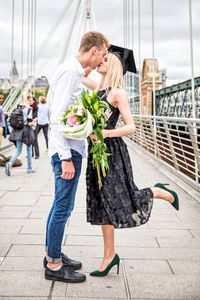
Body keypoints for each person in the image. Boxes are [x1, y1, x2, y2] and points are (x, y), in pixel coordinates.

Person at [84, 45, 179, 277]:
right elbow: (81, 74)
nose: (101, 61)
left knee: (122, 198)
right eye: (101, 58)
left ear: (115, 65)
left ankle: (158, 192)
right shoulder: (98, 88)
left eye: (105, 59)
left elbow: (130, 126)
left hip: (112, 152)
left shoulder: (118, 93)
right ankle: (109, 256)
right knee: (102, 204)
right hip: (96, 153)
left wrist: (106, 133)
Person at [44, 31, 109, 284]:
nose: (101, 59)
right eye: (102, 54)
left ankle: (53, 252)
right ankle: (54, 265)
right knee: (62, 208)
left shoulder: (72, 72)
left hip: (70, 149)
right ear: (94, 51)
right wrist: (65, 158)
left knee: (59, 207)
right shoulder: (70, 73)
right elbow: (57, 119)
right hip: (67, 152)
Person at [5, 93, 35, 176]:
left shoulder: (18, 107)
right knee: (29, 149)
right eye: (31, 99)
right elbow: (29, 122)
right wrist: (34, 122)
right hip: (26, 131)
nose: (32, 101)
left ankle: (9, 164)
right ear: (28, 99)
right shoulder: (29, 109)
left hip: (17, 130)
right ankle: (29, 168)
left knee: (18, 150)